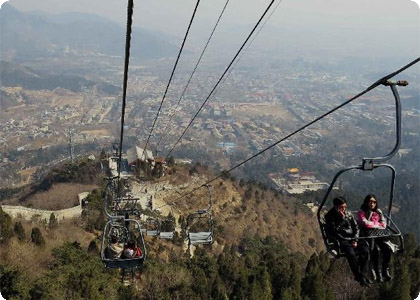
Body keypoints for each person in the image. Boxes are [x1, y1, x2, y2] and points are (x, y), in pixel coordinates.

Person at [325, 197, 370, 285]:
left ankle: (363, 275)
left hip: (353, 237)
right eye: (341, 207)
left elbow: (356, 227)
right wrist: (342, 219)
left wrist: (355, 239)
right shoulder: (329, 216)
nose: (343, 209)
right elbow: (334, 231)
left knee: (365, 250)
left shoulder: (348, 213)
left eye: (345, 207)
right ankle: (358, 276)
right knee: (350, 253)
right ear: (336, 206)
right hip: (342, 239)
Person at [358, 194, 393, 282]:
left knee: (387, 249)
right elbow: (364, 223)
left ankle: (385, 270)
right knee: (375, 250)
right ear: (366, 202)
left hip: (378, 235)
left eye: (374, 202)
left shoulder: (378, 211)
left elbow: (384, 224)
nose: (372, 204)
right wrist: (377, 224)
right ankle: (378, 273)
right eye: (370, 202)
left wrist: (374, 225)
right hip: (367, 236)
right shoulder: (362, 212)